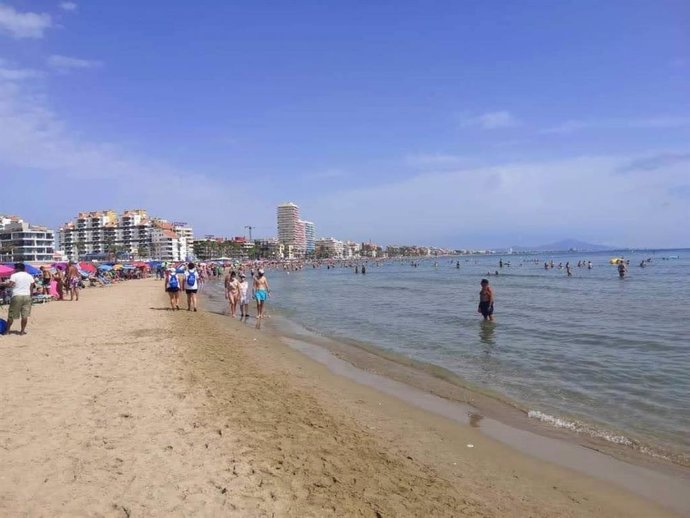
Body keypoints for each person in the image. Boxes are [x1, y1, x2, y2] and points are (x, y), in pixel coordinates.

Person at [3, 263, 35, 335]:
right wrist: (31, 296)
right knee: (25, 315)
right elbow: (31, 287)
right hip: (27, 296)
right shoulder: (29, 276)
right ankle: (22, 331)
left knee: (11, 315)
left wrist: (3, 284)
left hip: (17, 296)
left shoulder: (14, 275)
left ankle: (7, 331)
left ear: (17, 268)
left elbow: (10, 285)